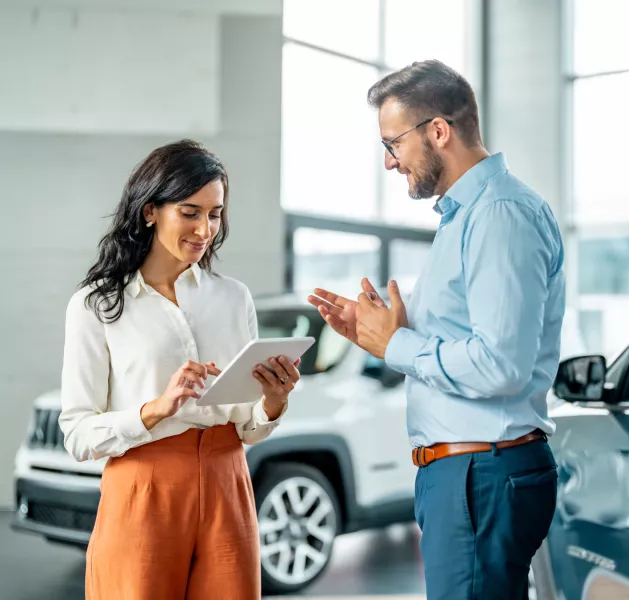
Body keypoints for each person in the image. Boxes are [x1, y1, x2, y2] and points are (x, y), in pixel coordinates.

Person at [308, 60, 565, 599]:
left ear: (439, 131)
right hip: (467, 475)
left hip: (481, 475)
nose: (388, 162)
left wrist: (397, 343)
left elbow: (501, 365)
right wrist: (380, 332)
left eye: (393, 143)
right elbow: (461, 340)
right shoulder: (465, 219)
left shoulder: (499, 215)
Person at [59, 139, 300, 600]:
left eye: (215, 214)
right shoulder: (97, 304)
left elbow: (247, 427)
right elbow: (77, 434)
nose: (205, 229)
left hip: (229, 480)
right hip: (144, 485)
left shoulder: (233, 297)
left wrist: (273, 402)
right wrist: (155, 408)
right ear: (150, 210)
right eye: (190, 212)